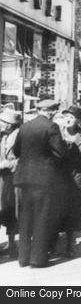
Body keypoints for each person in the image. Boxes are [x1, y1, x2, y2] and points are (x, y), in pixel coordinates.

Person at [12, 99, 69, 268]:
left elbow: (16, 151)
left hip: (24, 179)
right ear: (50, 111)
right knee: (42, 218)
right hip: (44, 179)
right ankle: (38, 259)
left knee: (25, 218)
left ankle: (23, 258)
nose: (54, 113)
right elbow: (61, 153)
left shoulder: (25, 126)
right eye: (54, 110)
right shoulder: (51, 127)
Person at [55, 105, 81, 258]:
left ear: (78, 121)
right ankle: (53, 243)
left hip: (76, 178)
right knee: (55, 211)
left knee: (72, 213)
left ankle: (70, 244)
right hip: (58, 177)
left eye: (72, 117)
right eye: (66, 116)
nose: (68, 119)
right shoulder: (56, 135)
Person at [0, 108, 21, 257]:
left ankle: (13, 243)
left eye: (2, 122)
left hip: (14, 177)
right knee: (6, 209)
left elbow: (23, 158)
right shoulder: (4, 136)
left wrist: (6, 164)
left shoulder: (17, 136)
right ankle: (11, 243)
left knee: (12, 209)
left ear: (9, 124)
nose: (0, 123)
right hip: (4, 177)